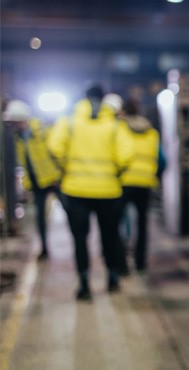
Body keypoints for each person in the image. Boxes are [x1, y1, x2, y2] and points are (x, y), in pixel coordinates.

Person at [47, 84, 134, 300]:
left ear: (84, 98)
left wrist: (67, 168)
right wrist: (114, 172)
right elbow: (126, 155)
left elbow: (54, 147)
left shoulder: (69, 122)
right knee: (110, 236)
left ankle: (84, 284)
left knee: (79, 238)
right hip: (108, 191)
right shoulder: (115, 125)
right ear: (104, 99)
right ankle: (112, 277)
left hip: (76, 191)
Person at [3, 100, 63, 260]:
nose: (13, 125)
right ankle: (44, 249)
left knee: (72, 215)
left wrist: (59, 174)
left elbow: (57, 152)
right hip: (37, 184)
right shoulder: (18, 138)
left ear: (22, 119)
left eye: (15, 121)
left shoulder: (42, 131)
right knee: (40, 219)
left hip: (54, 180)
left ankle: (80, 247)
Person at [118, 98, 165, 274]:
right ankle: (140, 263)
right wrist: (155, 176)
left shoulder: (120, 129)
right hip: (145, 183)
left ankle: (122, 266)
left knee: (118, 224)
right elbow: (162, 160)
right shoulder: (151, 132)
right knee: (143, 225)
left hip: (122, 183)